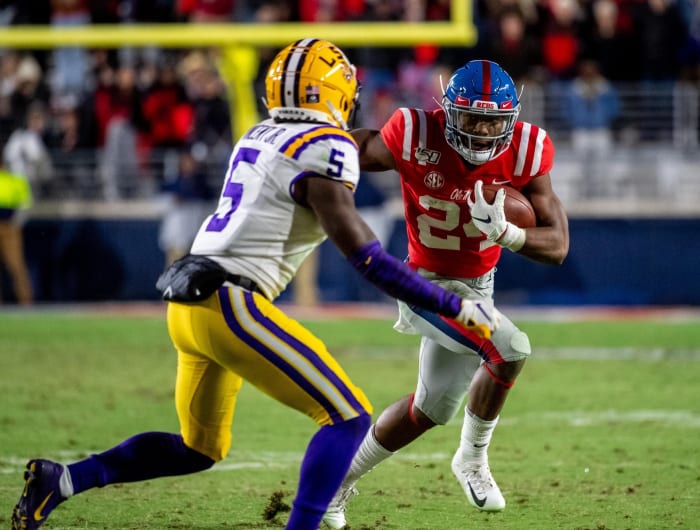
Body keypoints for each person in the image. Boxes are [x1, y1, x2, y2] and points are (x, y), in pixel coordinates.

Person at [11, 39, 499, 530]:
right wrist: (452, 306)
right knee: (348, 418)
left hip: (189, 304)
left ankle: (65, 480)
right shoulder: (327, 147)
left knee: (199, 447)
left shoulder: (260, 133)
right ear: (335, 92)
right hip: (231, 303)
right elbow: (369, 260)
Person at [323, 59, 570, 528]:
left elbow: (557, 246)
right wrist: (303, 145)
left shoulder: (526, 150)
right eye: (471, 118)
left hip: (478, 287)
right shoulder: (416, 133)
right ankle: (472, 459)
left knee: (429, 408)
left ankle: (333, 483)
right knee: (511, 347)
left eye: (492, 121)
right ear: (447, 111)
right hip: (427, 285)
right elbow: (348, 148)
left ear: (510, 120)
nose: (480, 132)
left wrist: (508, 235)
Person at [0, 156, 33, 305]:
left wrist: (16, 222)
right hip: (9, 226)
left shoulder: (15, 179)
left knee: (16, 266)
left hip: (9, 227)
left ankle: (26, 302)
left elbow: (26, 204)